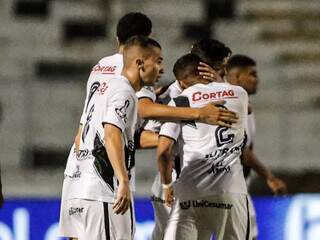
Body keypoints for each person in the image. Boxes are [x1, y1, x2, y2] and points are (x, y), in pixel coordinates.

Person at [59, 12, 153, 240]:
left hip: (75, 177)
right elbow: (142, 111)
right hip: (103, 183)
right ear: (146, 41)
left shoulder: (100, 67)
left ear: (116, 38)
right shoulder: (137, 69)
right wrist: (195, 114)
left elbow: (84, 127)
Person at [147, 38, 234, 240]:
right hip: (174, 187)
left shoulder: (218, 92)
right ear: (203, 69)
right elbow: (144, 138)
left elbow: (244, 110)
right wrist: (177, 135)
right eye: (221, 69)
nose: (224, 74)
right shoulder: (172, 97)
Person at [158, 53, 251, 240]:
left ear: (182, 82)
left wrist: (167, 184)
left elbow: (164, 151)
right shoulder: (240, 93)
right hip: (230, 190)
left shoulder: (181, 101)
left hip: (190, 191)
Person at [226, 54, 287, 239]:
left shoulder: (243, 104)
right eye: (252, 74)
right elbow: (242, 151)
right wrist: (269, 177)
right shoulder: (231, 104)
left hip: (235, 185)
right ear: (236, 77)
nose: (256, 79)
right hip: (230, 186)